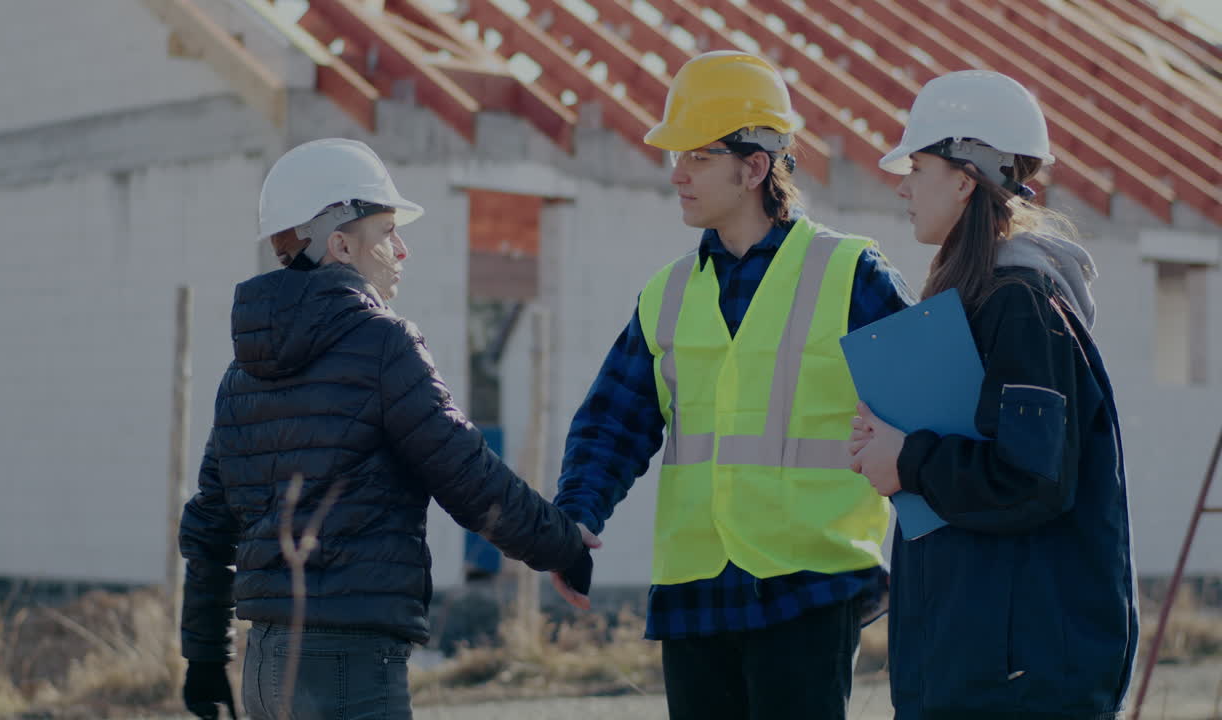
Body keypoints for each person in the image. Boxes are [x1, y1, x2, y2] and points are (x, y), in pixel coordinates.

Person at [178, 138, 597, 720]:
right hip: (348, 663)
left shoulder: (241, 373)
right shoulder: (382, 343)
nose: (402, 250)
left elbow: (209, 526)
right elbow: (466, 473)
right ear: (341, 243)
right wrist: (561, 543)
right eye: (387, 232)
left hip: (263, 668)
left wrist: (202, 656)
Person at [550, 51, 914, 720]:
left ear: (754, 167)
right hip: (696, 594)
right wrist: (575, 519)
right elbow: (614, 421)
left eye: (697, 156)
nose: (677, 174)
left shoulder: (851, 274)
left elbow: (927, 414)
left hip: (809, 584)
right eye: (675, 156)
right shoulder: (666, 295)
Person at [849, 70, 1138, 719]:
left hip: (1018, 680)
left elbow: (1031, 480)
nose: (902, 185)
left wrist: (912, 458)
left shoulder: (1021, 307)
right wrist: (890, 454)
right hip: (977, 664)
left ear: (963, 176)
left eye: (916, 166)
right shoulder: (981, 301)